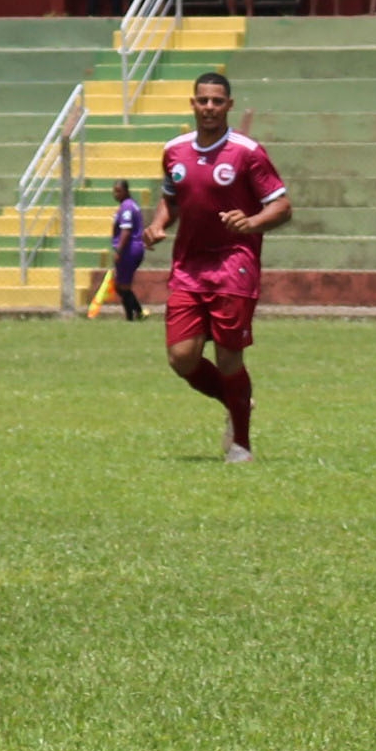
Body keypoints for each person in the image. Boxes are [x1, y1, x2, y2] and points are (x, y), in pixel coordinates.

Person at [141, 73, 292, 463]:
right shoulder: (174, 151)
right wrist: (158, 224)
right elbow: (172, 198)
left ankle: (241, 445)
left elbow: (281, 206)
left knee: (228, 359)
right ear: (193, 103)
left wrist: (252, 222)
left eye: (217, 101)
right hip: (189, 267)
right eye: (203, 100)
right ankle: (237, 401)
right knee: (181, 358)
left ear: (229, 105)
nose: (209, 107)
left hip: (233, 264)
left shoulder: (247, 152)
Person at [109, 180, 148, 321]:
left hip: (129, 249)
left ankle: (134, 315)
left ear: (126, 191)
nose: (116, 194)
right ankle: (135, 314)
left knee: (122, 286)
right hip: (133, 248)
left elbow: (126, 231)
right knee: (120, 285)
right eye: (115, 191)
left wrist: (119, 251)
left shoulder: (126, 207)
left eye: (119, 191)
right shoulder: (131, 205)